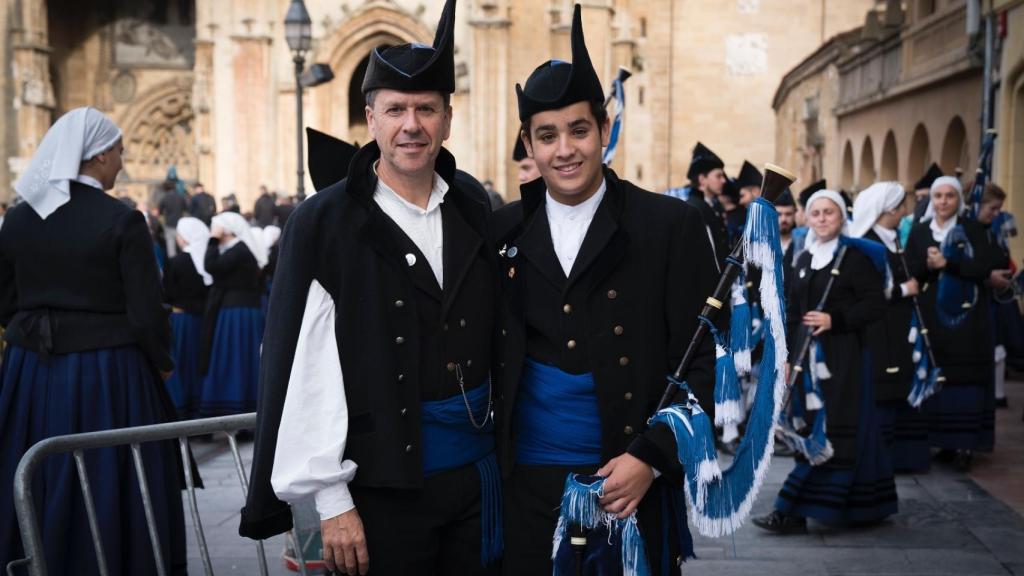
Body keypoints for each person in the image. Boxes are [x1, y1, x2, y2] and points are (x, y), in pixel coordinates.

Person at [239, 1, 503, 574]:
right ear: (371, 118)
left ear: (447, 119)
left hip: (476, 485)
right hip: (376, 496)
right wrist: (331, 504)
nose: (412, 124)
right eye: (396, 110)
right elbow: (303, 362)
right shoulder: (325, 221)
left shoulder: (475, 205)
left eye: (426, 109)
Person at [494, 6, 718, 573]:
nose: (564, 149)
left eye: (578, 130)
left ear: (604, 129)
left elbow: (700, 364)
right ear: (529, 143)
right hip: (526, 487)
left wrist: (651, 458)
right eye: (547, 136)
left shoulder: (670, 226)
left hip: (630, 478)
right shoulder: (500, 231)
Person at [0, 107, 187, 574]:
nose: (122, 164)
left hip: (30, 372)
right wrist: (161, 360)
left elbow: (5, 300)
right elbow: (146, 312)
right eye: (120, 154)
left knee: (31, 475)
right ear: (99, 155)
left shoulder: (19, 219)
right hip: (109, 372)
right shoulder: (121, 219)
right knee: (109, 478)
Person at [754, 189, 897, 533]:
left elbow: (875, 305)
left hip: (844, 355)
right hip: (806, 358)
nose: (821, 219)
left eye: (828, 213)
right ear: (806, 217)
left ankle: (789, 509)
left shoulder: (854, 258)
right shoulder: (802, 258)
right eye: (815, 213)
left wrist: (836, 319)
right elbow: (791, 311)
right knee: (814, 423)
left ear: (841, 217)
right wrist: (785, 355)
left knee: (833, 428)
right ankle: (864, 505)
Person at [905, 176, 1003, 471]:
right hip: (933, 317)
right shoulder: (922, 231)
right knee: (940, 376)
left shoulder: (972, 229)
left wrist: (948, 264)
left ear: (959, 199)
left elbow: (986, 266)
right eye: (938, 196)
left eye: (949, 196)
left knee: (966, 379)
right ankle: (943, 442)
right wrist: (929, 264)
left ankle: (965, 445)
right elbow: (911, 271)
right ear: (931, 200)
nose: (943, 202)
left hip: (966, 318)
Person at [851, 181, 929, 473]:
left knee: (900, 389)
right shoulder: (869, 242)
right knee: (882, 390)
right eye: (901, 206)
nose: (905, 212)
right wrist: (903, 291)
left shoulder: (892, 237)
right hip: (878, 329)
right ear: (889, 209)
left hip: (896, 328)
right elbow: (866, 293)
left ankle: (906, 458)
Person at [198, 211, 266, 417]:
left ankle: (241, 406)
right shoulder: (238, 249)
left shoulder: (239, 250)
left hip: (238, 314)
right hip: (237, 310)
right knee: (238, 360)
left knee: (236, 360)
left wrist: (212, 240)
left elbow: (210, 267)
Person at [976, 183, 1022, 408]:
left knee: (999, 349)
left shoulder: (993, 230)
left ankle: (997, 394)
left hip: (996, 299)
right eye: (992, 209)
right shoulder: (971, 231)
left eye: (998, 210)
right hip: (980, 301)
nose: (996, 214)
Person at [163, 216, 212, 418]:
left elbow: (167, 293)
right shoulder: (208, 261)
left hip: (182, 321)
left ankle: (184, 413)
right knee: (200, 366)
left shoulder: (175, 262)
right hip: (204, 321)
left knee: (182, 366)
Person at [685, 141, 729, 266]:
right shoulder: (693, 208)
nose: (724, 180)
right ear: (702, 179)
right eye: (718, 176)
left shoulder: (713, 206)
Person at [157, 178, 189, 258]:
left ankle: (173, 268)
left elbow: (160, 212)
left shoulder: (164, 198)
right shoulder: (180, 197)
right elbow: (186, 208)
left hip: (169, 225)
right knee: (183, 248)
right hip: (180, 225)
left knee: (171, 251)